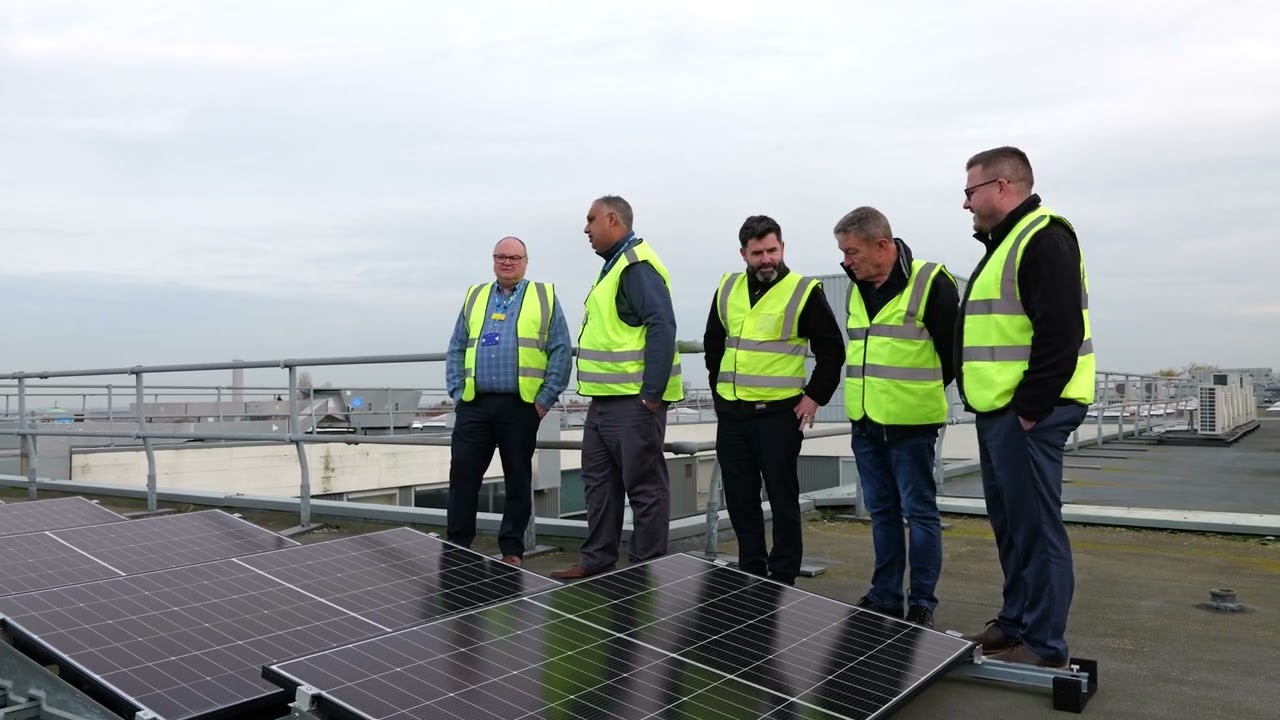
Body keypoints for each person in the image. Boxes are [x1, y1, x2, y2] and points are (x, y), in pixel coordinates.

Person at [956, 146, 1095, 668]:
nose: (966, 203)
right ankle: (1015, 622)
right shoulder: (1005, 243)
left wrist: (1031, 407)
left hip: (1030, 413)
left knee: (1036, 528)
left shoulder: (1044, 239)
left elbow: (1061, 330)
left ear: (1002, 187)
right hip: (1002, 412)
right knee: (1013, 526)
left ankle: (1044, 644)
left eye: (970, 192)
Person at [833, 206, 959, 629]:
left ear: (882, 245)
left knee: (919, 512)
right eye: (843, 253)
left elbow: (953, 354)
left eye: (852, 252)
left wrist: (913, 395)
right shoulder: (857, 287)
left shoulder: (930, 283)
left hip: (911, 426)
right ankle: (884, 594)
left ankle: (921, 600)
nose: (847, 261)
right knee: (882, 512)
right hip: (866, 423)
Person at [703, 215, 844, 586]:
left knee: (782, 497)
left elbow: (831, 350)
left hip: (779, 415)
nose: (766, 259)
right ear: (743, 254)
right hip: (733, 414)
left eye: (772, 250)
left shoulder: (802, 290)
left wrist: (814, 397)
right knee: (739, 495)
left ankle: (783, 575)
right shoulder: (727, 287)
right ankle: (751, 566)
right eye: (757, 253)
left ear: (782, 247)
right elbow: (713, 344)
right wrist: (718, 393)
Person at [550, 195, 683, 580]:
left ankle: (645, 568)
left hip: (633, 404)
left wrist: (650, 396)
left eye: (591, 220)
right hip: (604, 402)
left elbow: (662, 325)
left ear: (613, 219)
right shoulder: (614, 268)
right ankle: (596, 561)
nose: (586, 228)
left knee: (644, 489)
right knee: (599, 484)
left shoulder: (636, 267)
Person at [444, 236, 572, 567]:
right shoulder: (476, 296)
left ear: (526, 261)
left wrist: (545, 399)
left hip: (521, 406)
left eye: (514, 257)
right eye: (501, 256)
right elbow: (457, 346)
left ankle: (512, 548)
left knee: (517, 478)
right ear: (493, 260)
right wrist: (457, 392)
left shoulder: (543, 297)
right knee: (462, 476)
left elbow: (560, 350)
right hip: (475, 404)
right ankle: (458, 544)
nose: (507, 262)